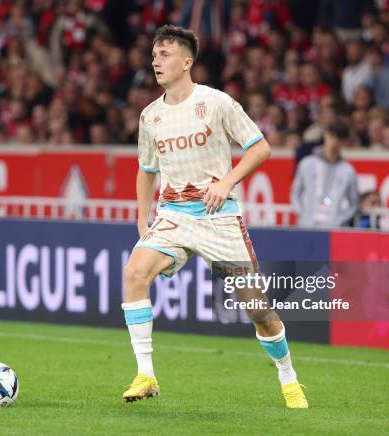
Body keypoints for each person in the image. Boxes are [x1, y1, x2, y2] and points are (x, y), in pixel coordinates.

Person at [121, 25, 308, 408]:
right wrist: (142, 219)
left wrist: (227, 181)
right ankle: (146, 374)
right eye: (154, 54)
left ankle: (288, 377)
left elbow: (260, 147)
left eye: (165, 54)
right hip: (174, 215)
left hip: (218, 215)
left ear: (187, 62)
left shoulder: (217, 102)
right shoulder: (150, 116)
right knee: (134, 273)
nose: (156, 60)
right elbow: (146, 169)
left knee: (258, 310)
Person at [291, 122, 359, 228]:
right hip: (307, 226)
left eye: (339, 138)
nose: (335, 142)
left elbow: (354, 203)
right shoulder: (307, 164)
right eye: (332, 136)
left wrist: (340, 220)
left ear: (344, 142)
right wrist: (303, 214)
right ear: (325, 135)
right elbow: (295, 194)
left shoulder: (348, 171)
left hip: (333, 228)